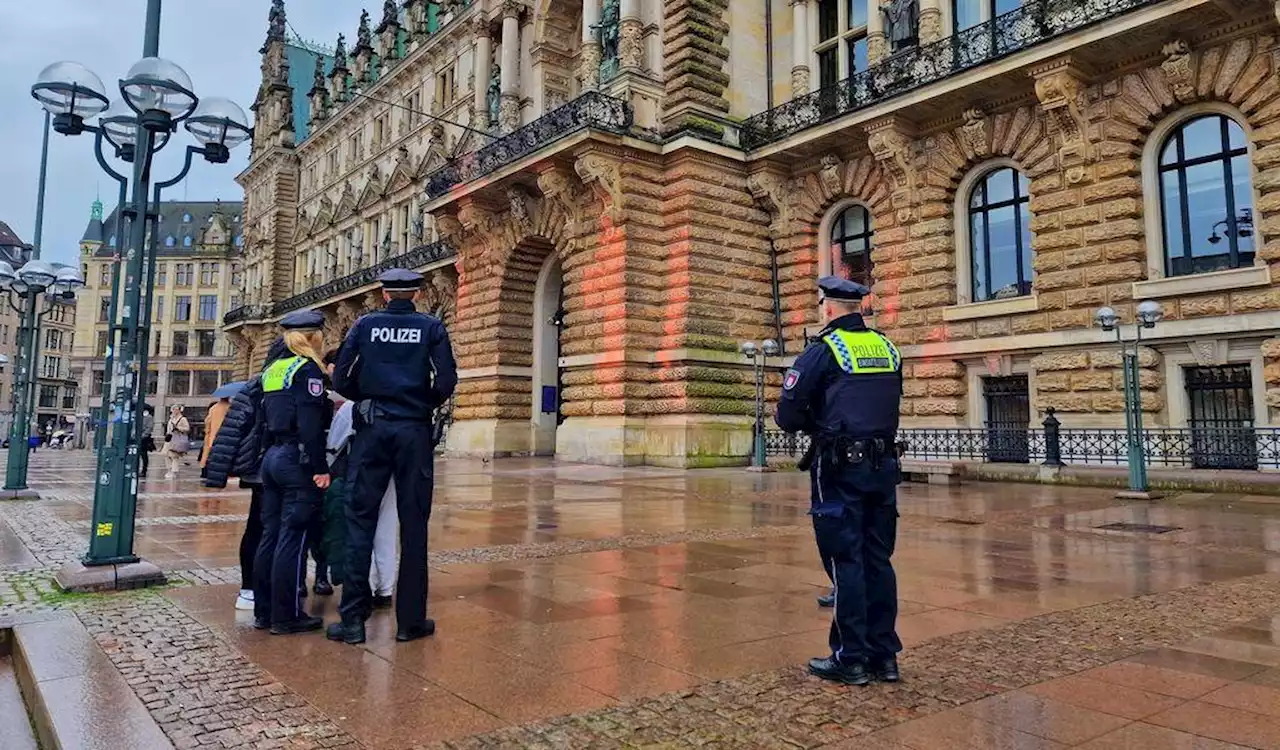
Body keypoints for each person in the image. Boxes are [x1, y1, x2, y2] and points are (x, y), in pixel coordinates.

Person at [775, 276, 904, 687]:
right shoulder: (887, 347)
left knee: (845, 559)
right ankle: (884, 657)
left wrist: (821, 421)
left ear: (828, 308)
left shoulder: (823, 351)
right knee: (878, 560)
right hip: (882, 468)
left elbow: (788, 415)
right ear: (860, 308)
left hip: (838, 469)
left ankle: (850, 658)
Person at [326, 268, 457, 645]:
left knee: (360, 520)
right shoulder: (431, 327)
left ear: (384, 294)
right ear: (416, 293)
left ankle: (352, 621)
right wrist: (421, 404)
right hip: (413, 431)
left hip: (372, 429)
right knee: (414, 524)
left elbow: (340, 379)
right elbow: (446, 380)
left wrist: (365, 400)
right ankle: (410, 622)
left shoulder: (365, 325)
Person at [255, 311, 332, 635]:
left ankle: (264, 611)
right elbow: (310, 425)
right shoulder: (307, 369)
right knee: (293, 540)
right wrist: (320, 468)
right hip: (296, 460)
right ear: (311, 337)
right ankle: (287, 616)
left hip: (272, 457)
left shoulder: (273, 369)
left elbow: (263, 417)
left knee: (269, 537)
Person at [206, 337, 290, 612]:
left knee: (259, 526)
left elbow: (230, 431)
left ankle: (252, 588)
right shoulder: (272, 385)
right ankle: (256, 588)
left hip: (258, 466)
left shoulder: (253, 385)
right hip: (269, 465)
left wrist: (216, 474)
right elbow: (232, 431)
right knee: (268, 528)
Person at [201, 394, 232, 478]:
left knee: (213, 458)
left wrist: (208, 432)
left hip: (213, 437)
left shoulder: (213, 408)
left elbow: (207, 422)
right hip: (227, 437)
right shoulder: (231, 408)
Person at [162, 405, 192, 479]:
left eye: (176, 409)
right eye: (173, 409)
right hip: (169, 438)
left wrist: (179, 428)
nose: (174, 411)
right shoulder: (171, 418)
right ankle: (169, 469)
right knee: (166, 454)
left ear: (179, 410)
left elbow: (187, 428)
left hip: (177, 439)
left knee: (174, 456)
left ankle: (173, 471)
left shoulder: (182, 419)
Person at [140, 405, 156, 476]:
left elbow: (149, 428)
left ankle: (144, 470)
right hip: (139, 437)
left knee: (144, 455)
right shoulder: (139, 416)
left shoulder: (149, 417)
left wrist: (143, 435)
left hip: (144, 439)